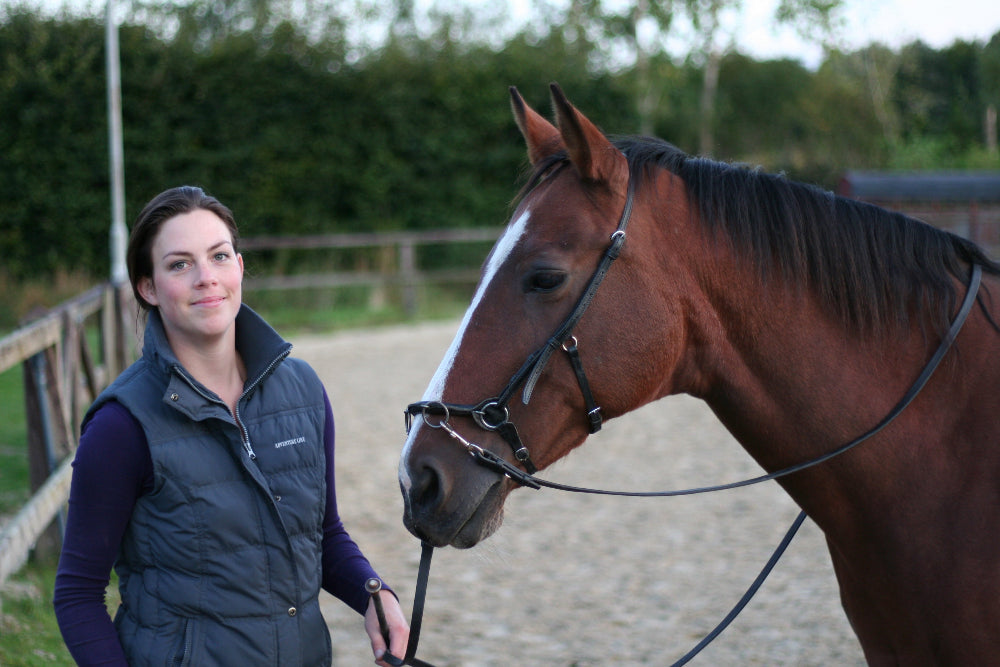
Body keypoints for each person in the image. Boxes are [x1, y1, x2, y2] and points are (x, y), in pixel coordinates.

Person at [53, 186, 409, 666]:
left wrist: (374, 593)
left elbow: (322, 536)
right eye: (180, 264)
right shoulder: (121, 427)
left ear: (239, 267)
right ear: (148, 287)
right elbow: (77, 594)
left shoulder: (303, 391)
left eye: (218, 256)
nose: (206, 278)